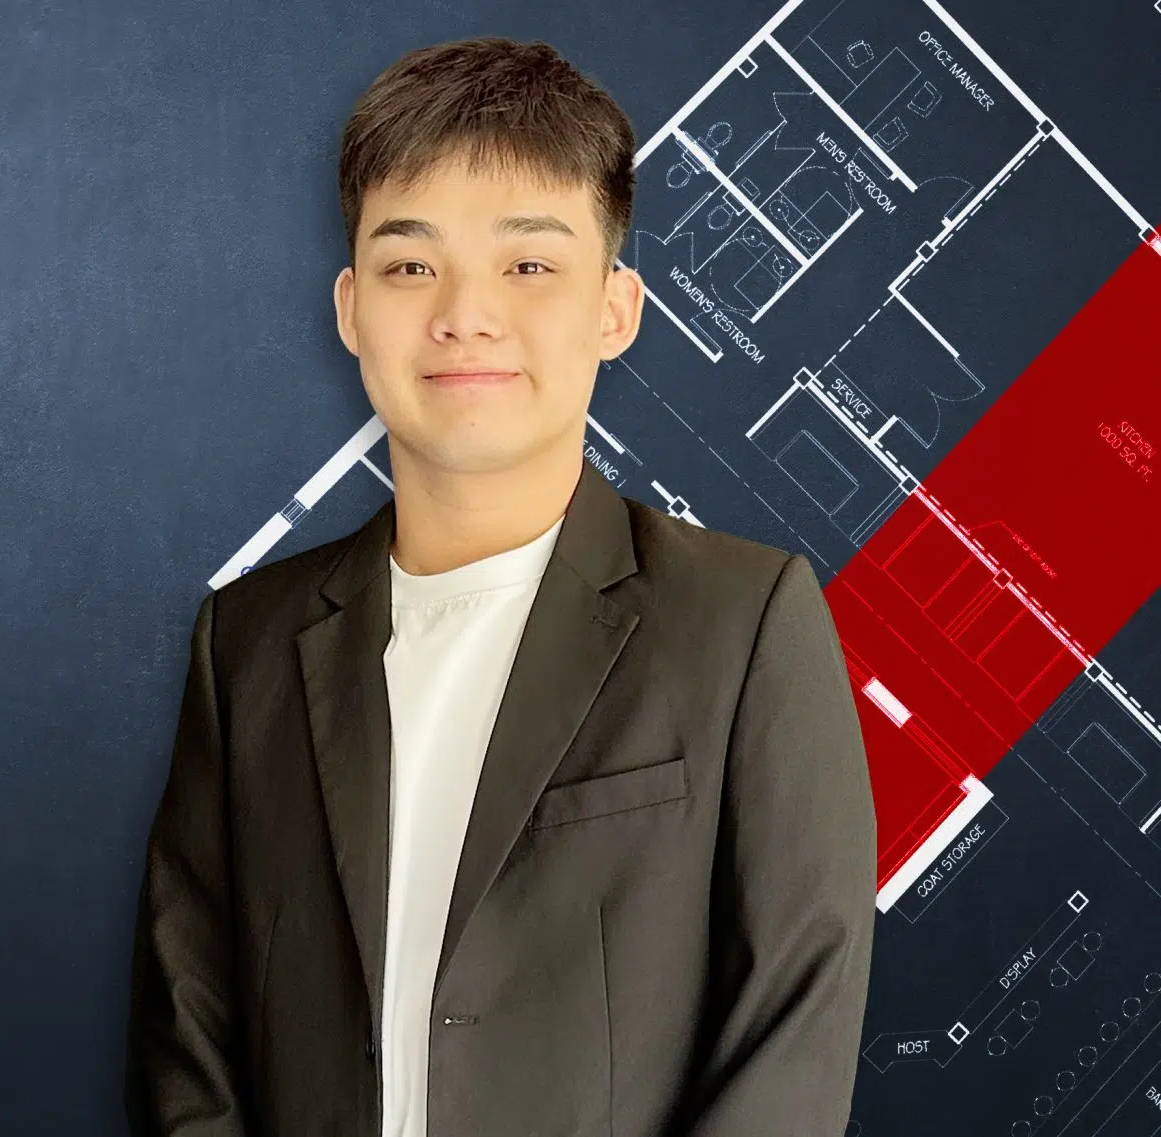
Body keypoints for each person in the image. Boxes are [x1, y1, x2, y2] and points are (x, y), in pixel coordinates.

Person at [124, 36, 876, 1137]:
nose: (463, 315)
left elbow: (792, 1034)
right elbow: (187, 1031)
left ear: (615, 308)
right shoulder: (244, 641)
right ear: (349, 308)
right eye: (409, 265)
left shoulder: (740, 621)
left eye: (527, 265)